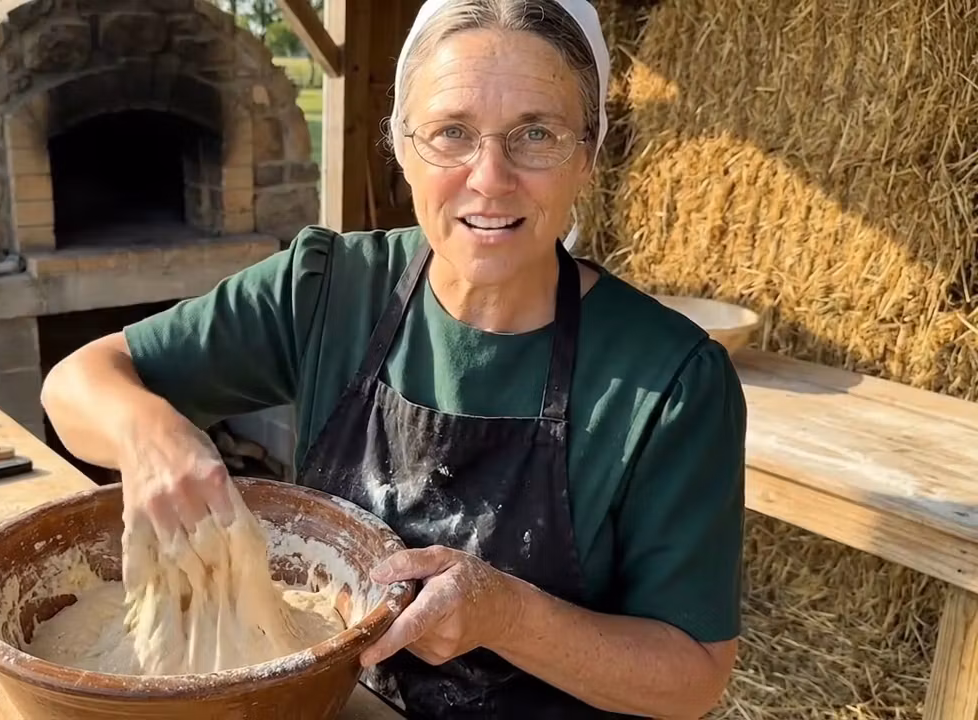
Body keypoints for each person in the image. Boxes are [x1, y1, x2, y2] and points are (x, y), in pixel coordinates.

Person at [40, 0, 746, 716]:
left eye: (536, 133)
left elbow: (691, 676)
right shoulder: (326, 290)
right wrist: (152, 436)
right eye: (452, 133)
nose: (490, 177)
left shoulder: (670, 384)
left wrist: (507, 616)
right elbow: (76, 384)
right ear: (403, 146)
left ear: (588, 152)